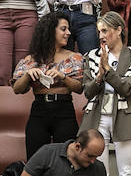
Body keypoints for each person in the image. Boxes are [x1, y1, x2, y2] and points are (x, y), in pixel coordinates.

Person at [81, 12, 131, 176]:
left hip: (125, 115)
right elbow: (88, 92)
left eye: (105, 31)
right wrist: (99, 76)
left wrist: (107, 71)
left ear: (118, 30)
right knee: (99, 174)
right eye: (99, 32)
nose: (101, 36)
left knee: (127, 172)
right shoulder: (91, 56)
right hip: (97, 115)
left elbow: (126, 89)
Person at [13, 12, 85, 158]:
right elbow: (17, 89)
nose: (68, 33)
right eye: (63, 29)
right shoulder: (31, 59)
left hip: (64, 109)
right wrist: (27, 75)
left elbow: (79, 88)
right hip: (39, 110)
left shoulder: (74, 57)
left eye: (68, 29)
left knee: (67, 159)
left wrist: (63, 77)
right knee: (35, 158)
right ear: (51, 30)